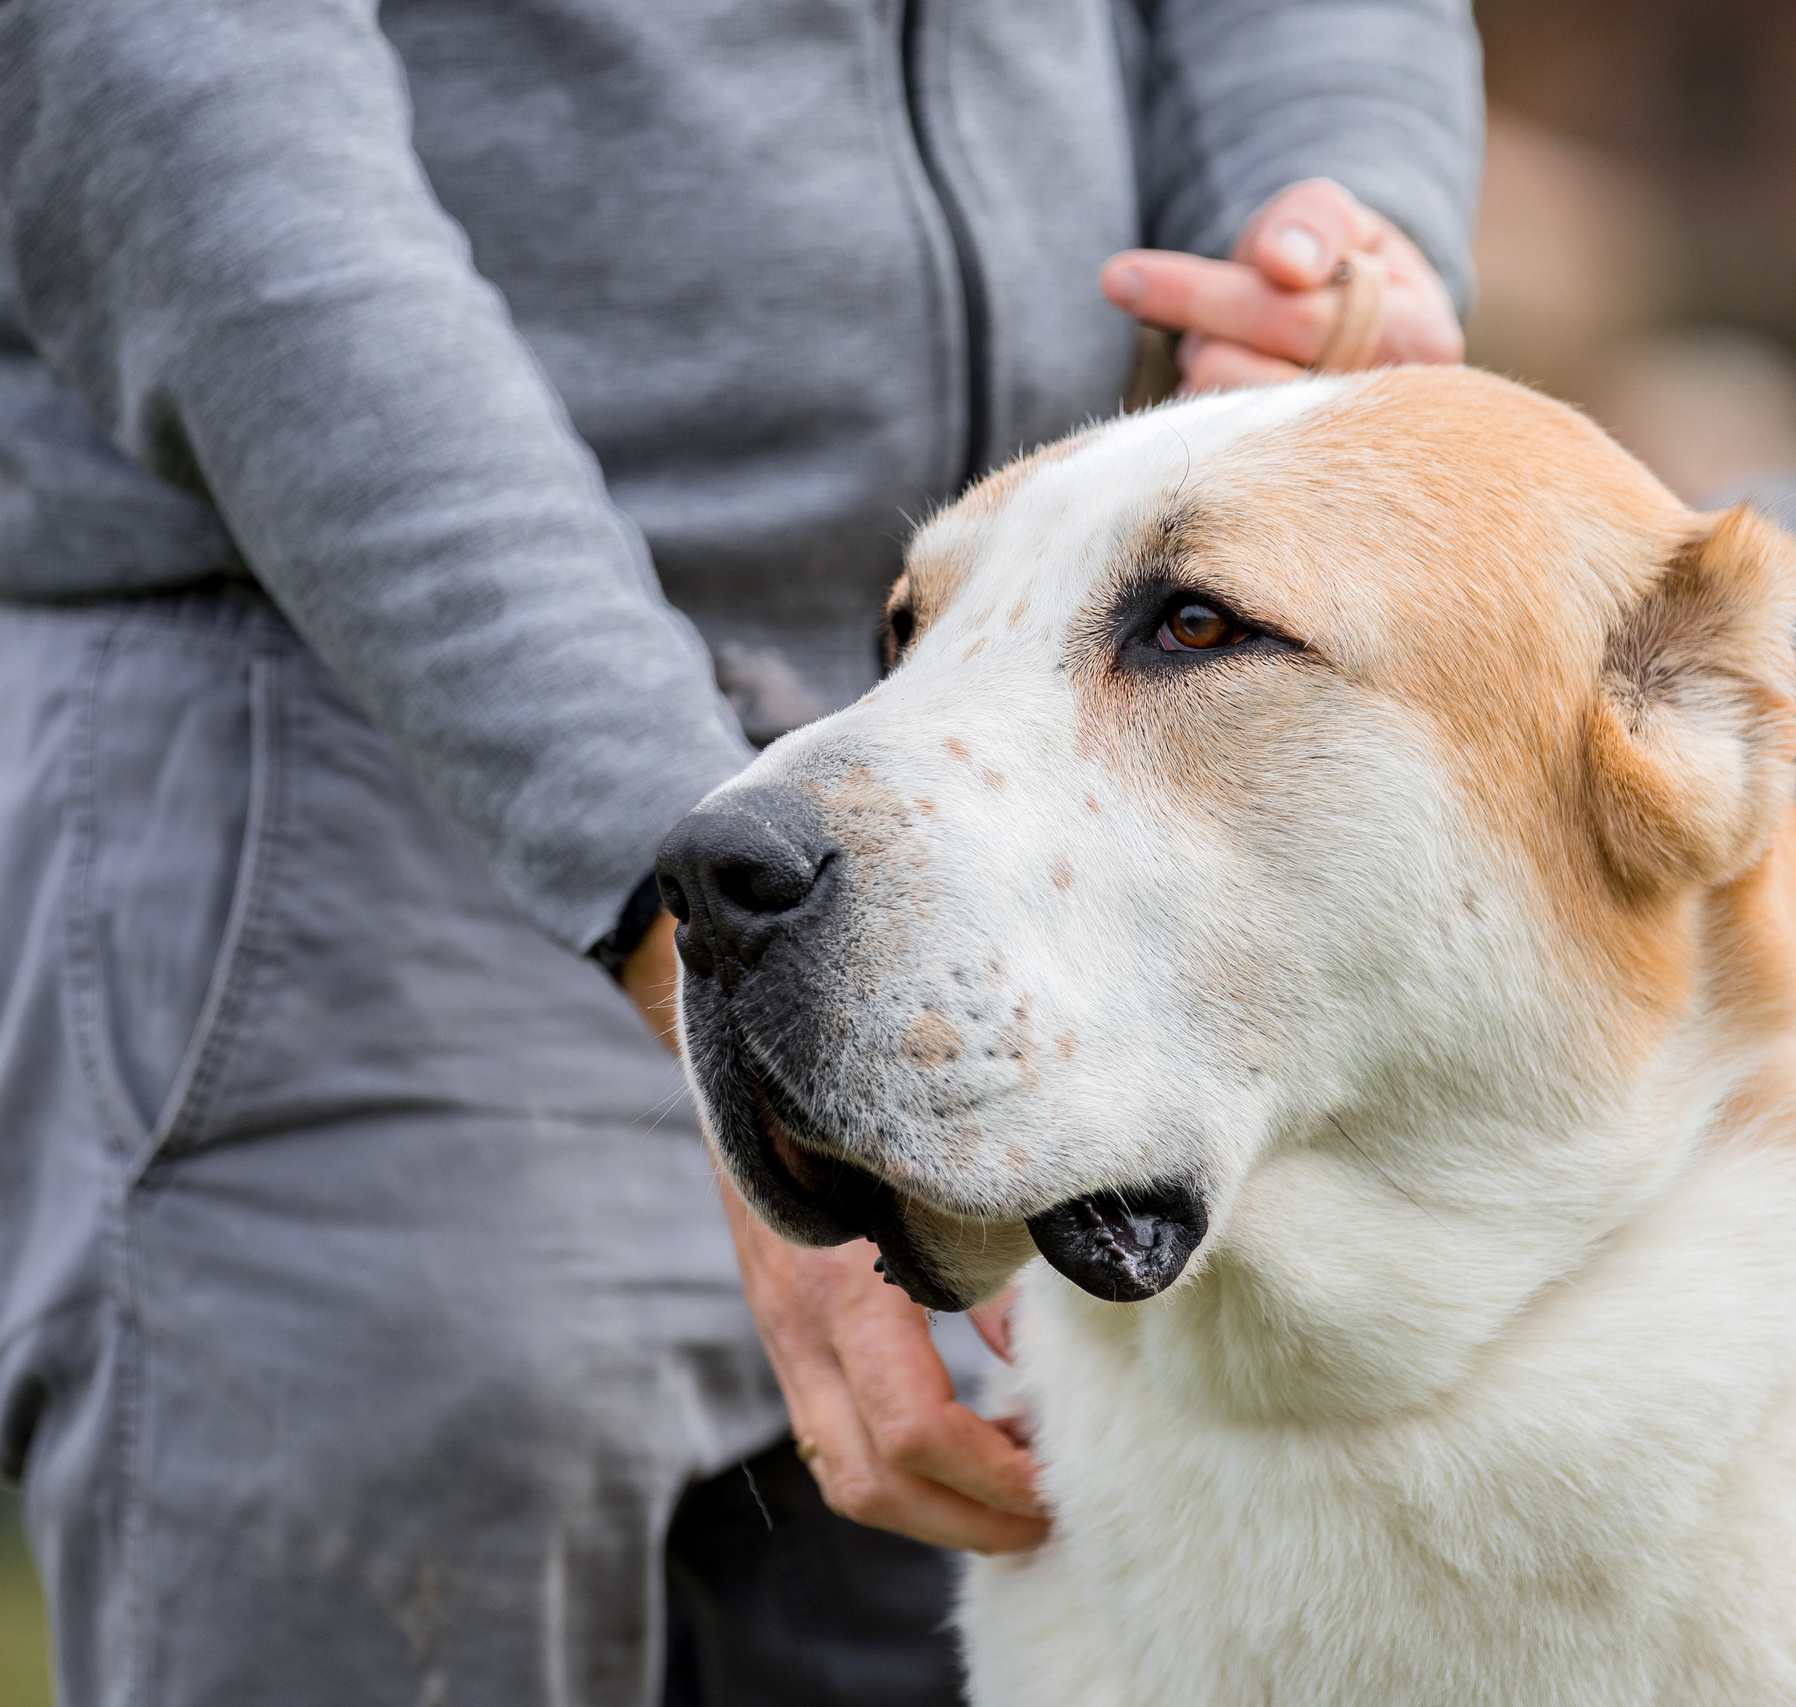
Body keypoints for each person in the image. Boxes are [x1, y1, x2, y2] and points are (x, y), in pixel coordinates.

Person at [0, 2, 1479, 1701]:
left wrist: (1339, 220)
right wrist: (675, 874)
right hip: (344, 721)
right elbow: (195, 139)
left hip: (1014, 789)